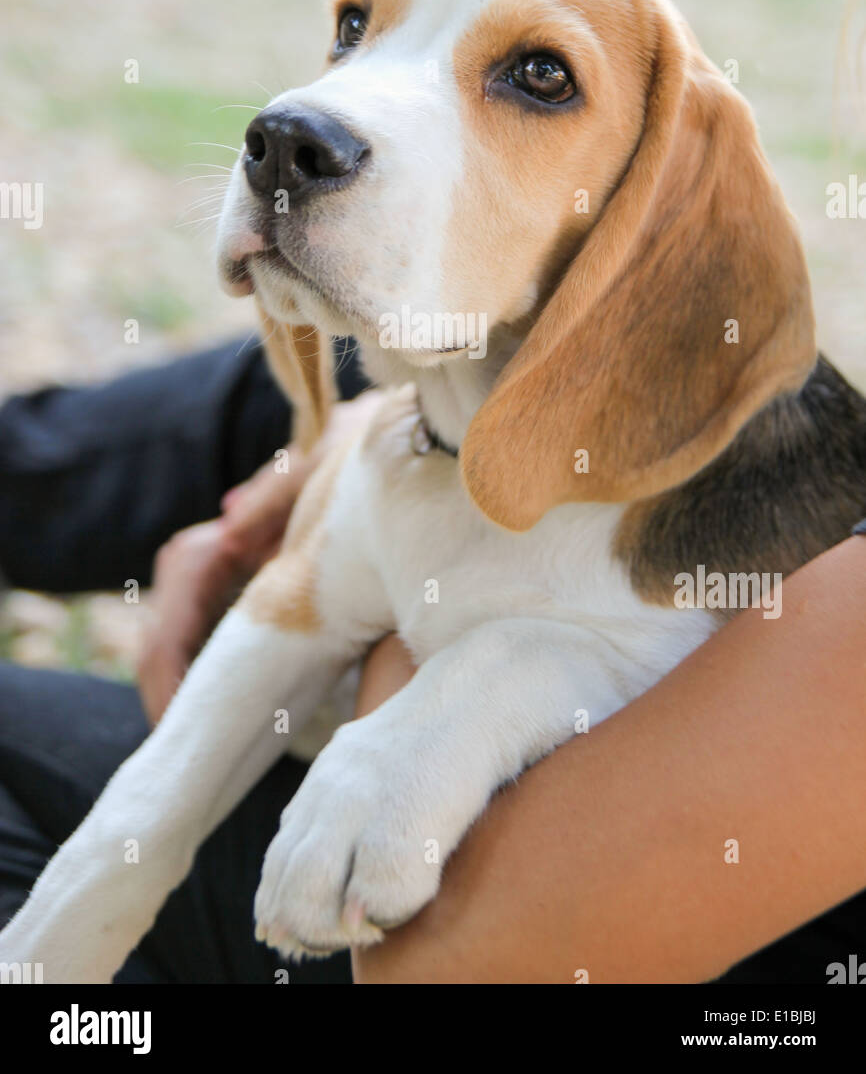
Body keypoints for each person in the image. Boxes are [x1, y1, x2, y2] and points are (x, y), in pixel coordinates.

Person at [1, 340, 865, 983]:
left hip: (474, 926)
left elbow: (445, 963)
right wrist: (366, 438)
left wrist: (363, 534)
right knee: (354, 370)